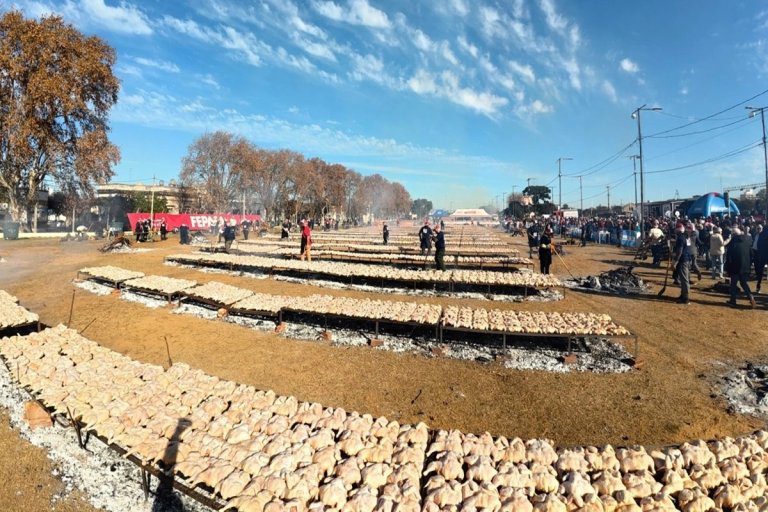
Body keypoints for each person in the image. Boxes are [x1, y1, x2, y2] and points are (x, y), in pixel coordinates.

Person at [725, 226, 756, 308]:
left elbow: (729, 256)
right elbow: (751, 254)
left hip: (735, 266)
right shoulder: (748, 240)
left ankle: (733, 300)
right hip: (745, 266)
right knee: (744, 283)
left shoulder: (732, 242)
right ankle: (751, 297)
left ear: (734, 234)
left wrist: (727, 268)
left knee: (733, 284)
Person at [672, 222, 692, 304]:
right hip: (686, 259)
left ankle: (686, 298)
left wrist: (675, 262)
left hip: (683, 260)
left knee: (684, 279)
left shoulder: (680, 238)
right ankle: (683, 295)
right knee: (683, 278)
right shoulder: (684, 237)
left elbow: (679, 252)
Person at [756, 224, 768, 293]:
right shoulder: (763, 232)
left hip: (762, 254)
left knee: (760, 272)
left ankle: (758, 286)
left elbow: (758, 244)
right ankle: (758, 286)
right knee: (760, 272)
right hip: (763, 254)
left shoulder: (762, 232)